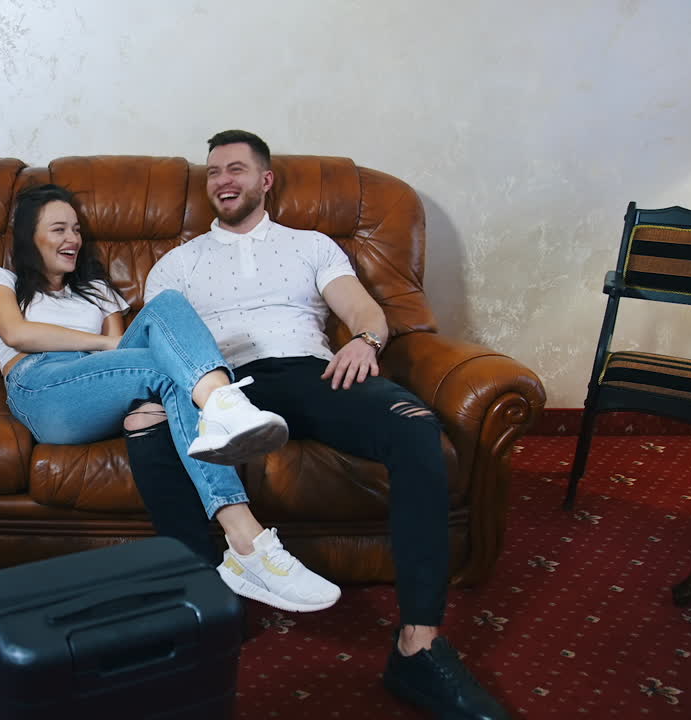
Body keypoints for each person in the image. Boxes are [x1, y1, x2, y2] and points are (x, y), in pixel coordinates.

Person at [121, 130, 508, 720]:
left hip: (312, 371)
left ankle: (418, 646)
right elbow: (163, 343)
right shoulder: (177, 263)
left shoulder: (312, 245)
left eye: (236, 169)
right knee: (157, 431)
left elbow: (359, 306)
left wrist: (366, 339)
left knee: (415, 429)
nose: (223, 180)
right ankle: (212, 610)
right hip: (227, 383)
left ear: (265, 180)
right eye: (214, 173)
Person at [0, 183, 340, 613]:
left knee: (167, 306)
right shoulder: (1, 279)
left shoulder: (98, 290)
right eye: (58, 229)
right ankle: (227, 422)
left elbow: (130, 360)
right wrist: (103, 345)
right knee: (167, 368)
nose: (72, 239)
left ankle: (244, 529)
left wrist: (115, 355)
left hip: (105, 386)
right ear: (28, 237)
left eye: (75, 229)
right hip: (42, 384)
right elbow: (17, 334)